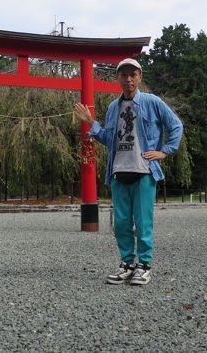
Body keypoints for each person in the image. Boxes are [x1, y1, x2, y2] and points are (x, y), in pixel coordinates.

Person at [73, 58, 183, 285]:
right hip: (118, 171)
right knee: (121, 222)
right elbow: (108, 138)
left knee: (143, 222)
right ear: (118, 79)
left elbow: (175, 125)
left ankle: (144, 265)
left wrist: (165, 151)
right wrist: (90, 123)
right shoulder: (114, 107)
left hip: (144, 170)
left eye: (133, 74)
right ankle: (127, 263)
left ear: (140, 77)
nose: (128, 79)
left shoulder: (152, 102)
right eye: (124, 75)